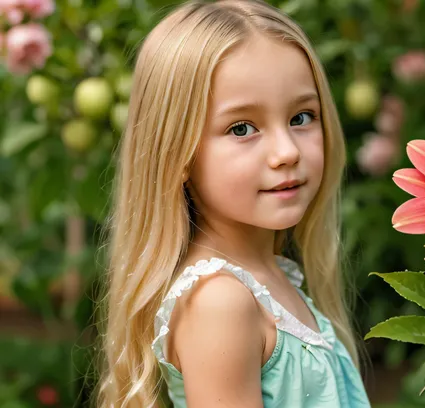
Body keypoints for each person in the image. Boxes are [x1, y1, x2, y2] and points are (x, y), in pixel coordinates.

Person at [95, 1, 371, 406]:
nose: (286, 152)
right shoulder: (220, 304)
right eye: (242, 128)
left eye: (301, 117)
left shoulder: (269, 278)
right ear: (178, 154)